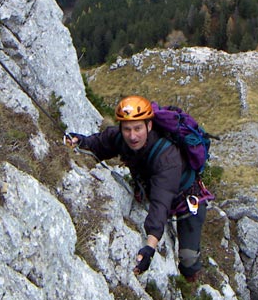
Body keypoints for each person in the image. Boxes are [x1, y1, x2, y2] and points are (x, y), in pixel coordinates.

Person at [66, 95, 207, 282]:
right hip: (155, 190)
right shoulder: (120, 137)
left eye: (138, 128)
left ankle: (191, 283)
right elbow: (99, 144)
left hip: (185, 199)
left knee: (188, 260)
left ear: (149, 126)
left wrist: (149, 247)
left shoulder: (167, 157)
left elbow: (160, 204)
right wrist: (79, 141)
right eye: (127, 129)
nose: (132, 136)